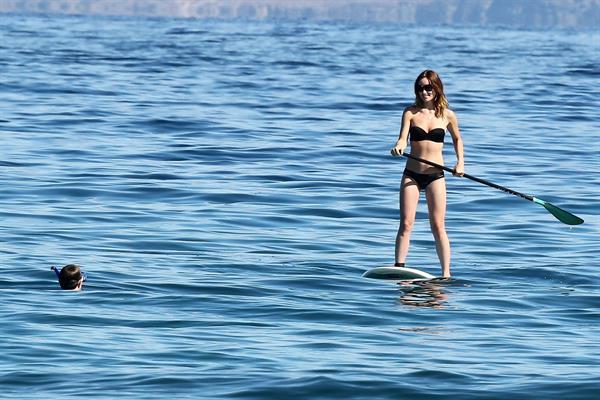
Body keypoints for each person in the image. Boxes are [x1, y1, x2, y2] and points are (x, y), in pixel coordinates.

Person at [390, 70, 464, 278]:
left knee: (438, 226)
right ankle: (399, 267)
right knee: (406, 223)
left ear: (437, 88)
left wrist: (460, 163)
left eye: (428, 87)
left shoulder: (447, 115)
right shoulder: (410, 112)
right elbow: (403, 138)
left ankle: (446, 274)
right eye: (420, 88)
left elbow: (457, 139)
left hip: (436, 176)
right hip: (412, 174)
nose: (424, 92)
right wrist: (399, 146)